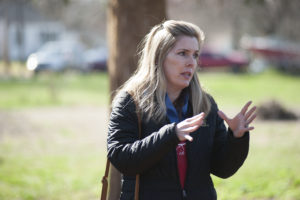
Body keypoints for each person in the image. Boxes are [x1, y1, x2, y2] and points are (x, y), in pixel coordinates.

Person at [107, 20, 256, 200]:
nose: (191, 63)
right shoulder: (131, 101)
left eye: (195, 55)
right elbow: (121, 158)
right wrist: (171, 135)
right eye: (183, 53)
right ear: (159, 56)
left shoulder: (205, 104)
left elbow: (223, 169)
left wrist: (236, 138)